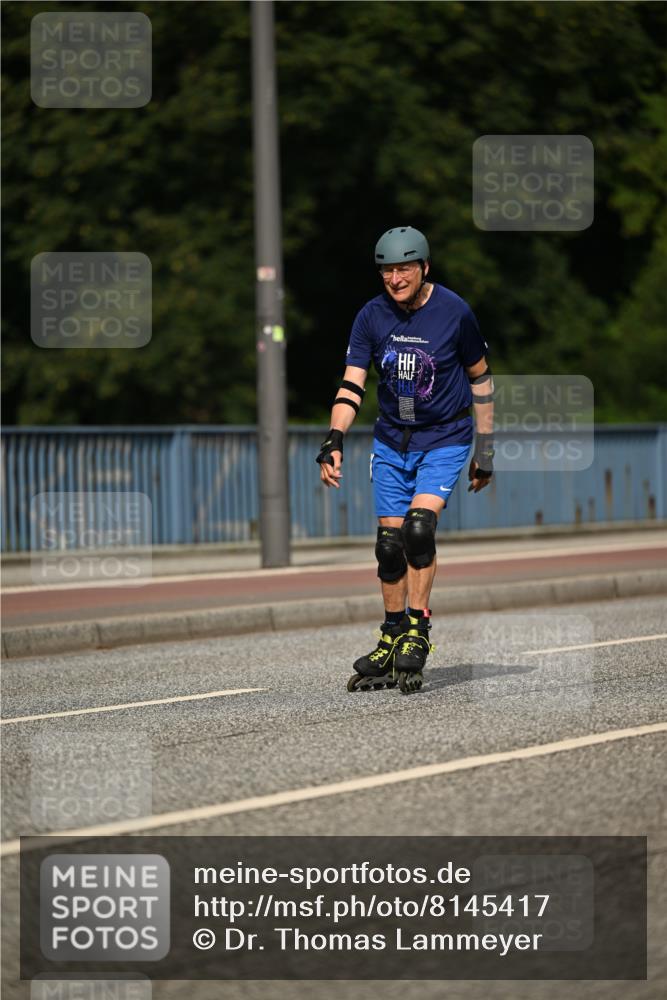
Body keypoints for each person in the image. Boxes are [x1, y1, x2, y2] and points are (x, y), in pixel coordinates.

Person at [316, 226, 494, 694]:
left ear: (424, 268)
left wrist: (487, 449)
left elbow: (481, 379)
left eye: (403, 269)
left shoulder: (454, 312)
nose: (394, 279)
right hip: (393, 442)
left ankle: (419, 628)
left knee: (418, 529)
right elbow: (352, 383)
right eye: (387, 271)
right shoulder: (371, 316)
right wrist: (334, 438)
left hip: (445, 437)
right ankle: (392, 634)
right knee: (388, 546)